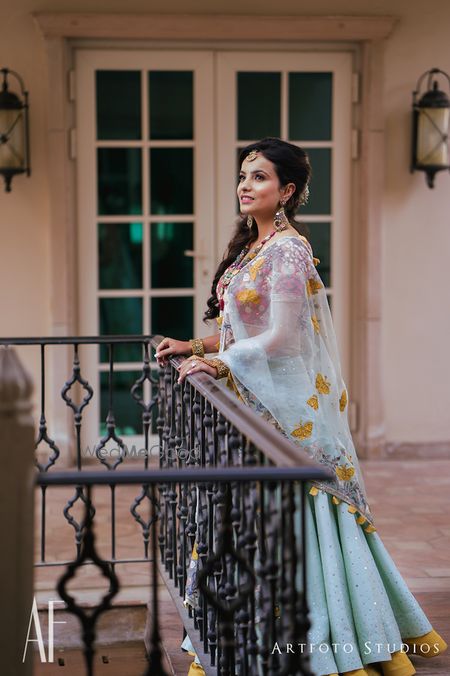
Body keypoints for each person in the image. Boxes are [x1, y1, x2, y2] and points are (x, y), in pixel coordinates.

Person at [155, 138, 447, 676]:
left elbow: (286, 336)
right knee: (249, 521)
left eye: (260, 177)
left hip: (289, 413)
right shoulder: (254, 247)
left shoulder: (287, 249)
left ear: (287, 191)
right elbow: (244, 329)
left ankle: (327, 647)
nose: (246, 185)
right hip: (257, 401)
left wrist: (219, 366)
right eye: (244, 175)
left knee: (299, 525)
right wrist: (194, 347)